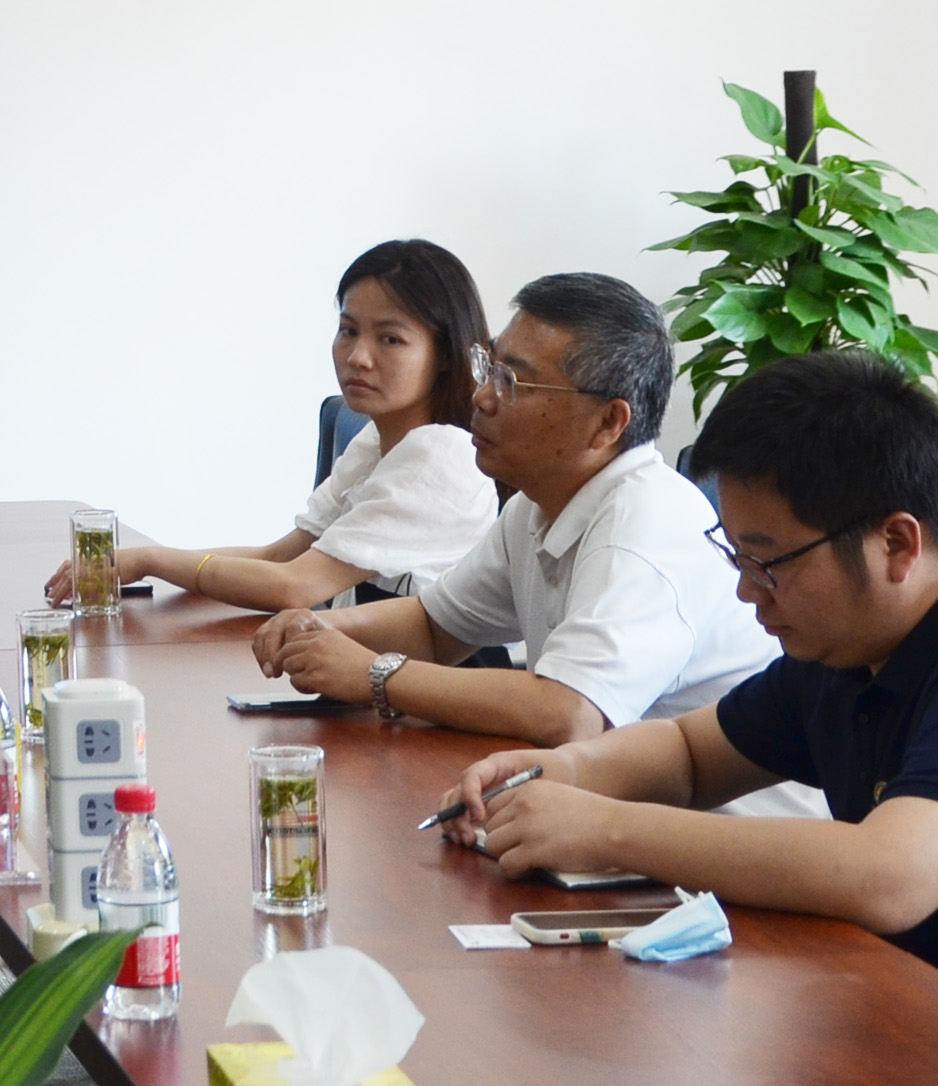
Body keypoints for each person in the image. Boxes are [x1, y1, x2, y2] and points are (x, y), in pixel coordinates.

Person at [438, 350, 938, 1066]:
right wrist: (563, 772)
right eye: (735, 555)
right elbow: (689, 756)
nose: (746, 591)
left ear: (896, 544)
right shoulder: (850, 646)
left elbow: (887, 876)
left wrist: (603, 827)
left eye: (768, 562)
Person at [251, 274, 808, 810]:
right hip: (604, 813)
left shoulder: (645, 527)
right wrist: (321, 629)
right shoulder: (537, 502)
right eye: (489, 368)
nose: (482, 397)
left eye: (512, 382)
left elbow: (569, 714)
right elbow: (434, 627)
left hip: (727, 844)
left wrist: (375, 674)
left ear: (607, 423)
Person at [55, 239, 496, 612]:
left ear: (445, 354)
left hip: (432, 682)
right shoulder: (375, 440)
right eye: (348, 330)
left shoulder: (442, 455)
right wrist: (140, 561)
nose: (358, 356)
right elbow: (279, 557)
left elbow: (294, 586)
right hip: (367, 671)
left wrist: (152, 561)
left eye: (390, 339)